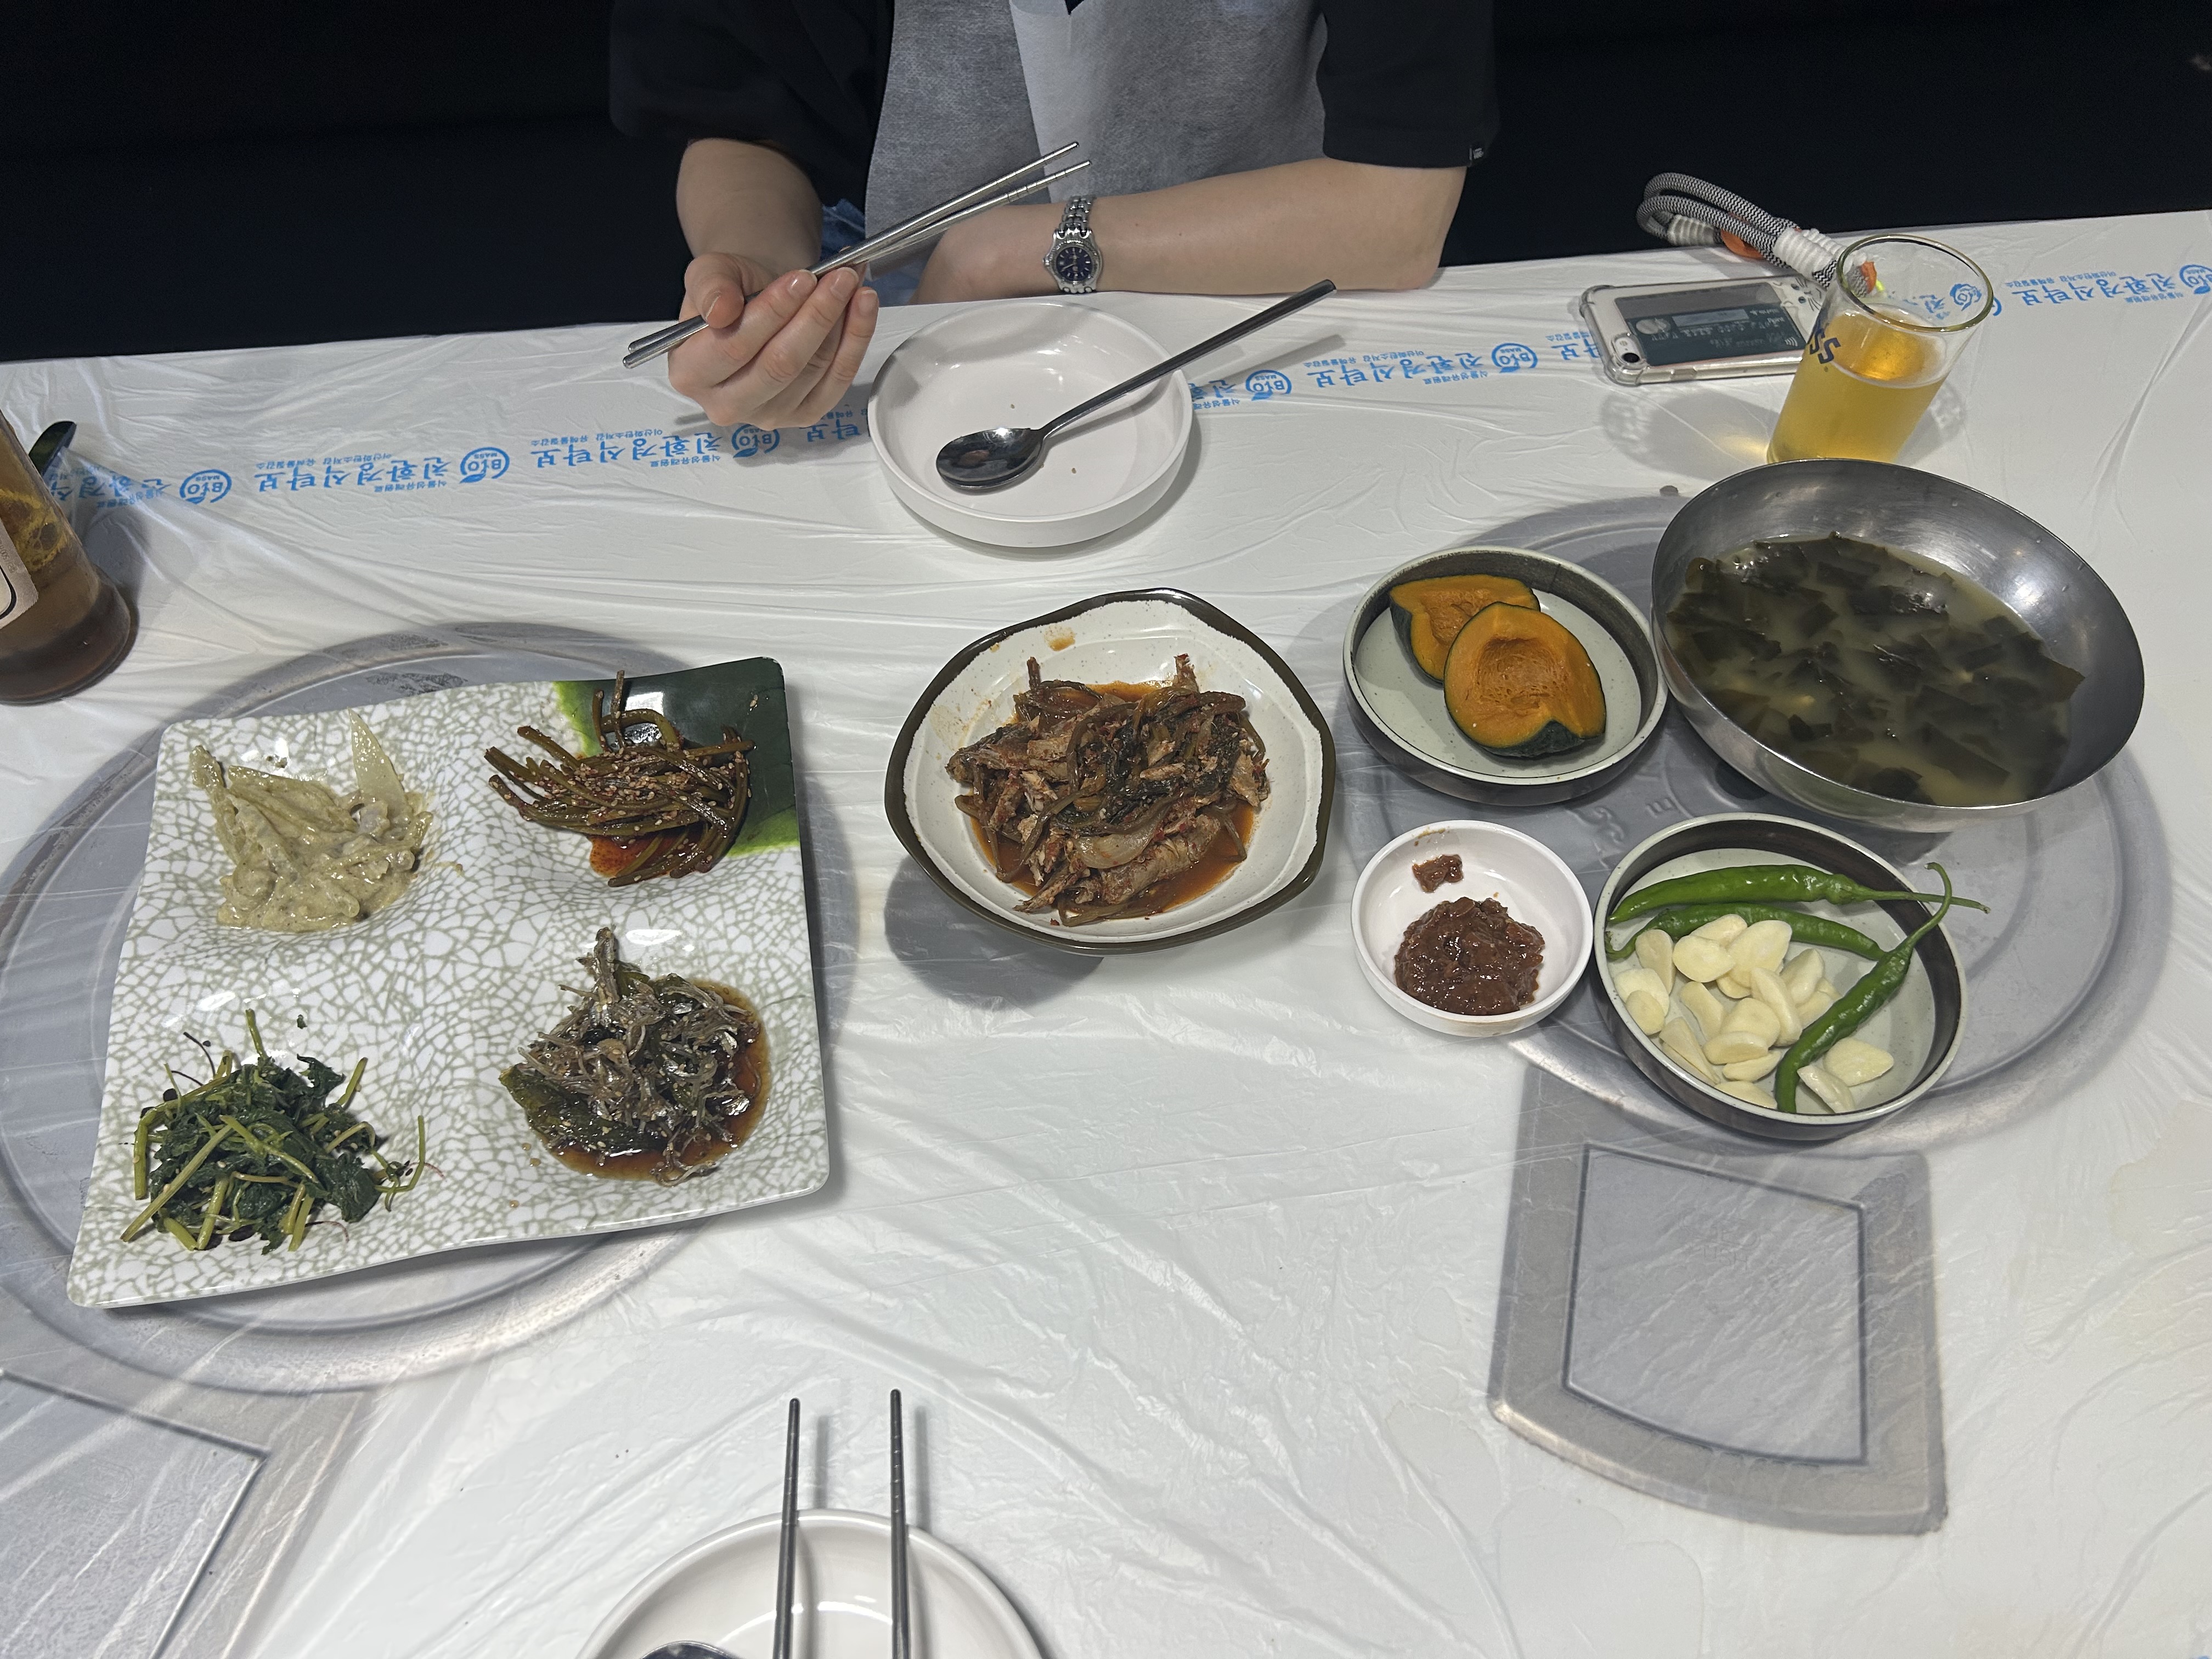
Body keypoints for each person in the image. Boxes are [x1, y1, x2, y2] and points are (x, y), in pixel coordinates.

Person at [612, 2, 1497, 431]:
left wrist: (1009, 249)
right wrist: (764, 283)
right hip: (888, 279)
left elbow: (1397, 210)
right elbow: (742, 112)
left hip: (1266, 261)